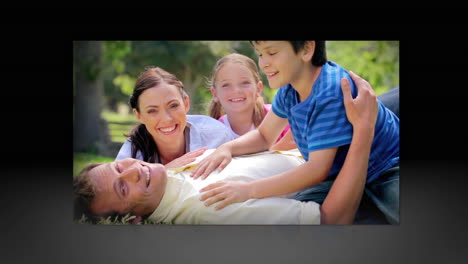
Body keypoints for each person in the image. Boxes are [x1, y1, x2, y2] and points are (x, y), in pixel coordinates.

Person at [73, 75, 379, 224]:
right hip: (353, 153)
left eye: (117, 168)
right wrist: (362, 128)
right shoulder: (208, 205)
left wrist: (311, 124)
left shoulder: (177, 171)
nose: (131, 170)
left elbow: (267, 153)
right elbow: (332, 221)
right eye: (122, 189)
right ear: (130, 219)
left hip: (319, 142)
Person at [191, 41, 400, 224]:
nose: (263, 63)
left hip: (385, 166)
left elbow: (316, 169)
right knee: (300, 215)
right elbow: (265, 136)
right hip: (337, 173)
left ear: (307, 49)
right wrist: (227, 148)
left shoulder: (329, 92)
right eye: (260, 53)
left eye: (272, 53)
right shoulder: (289, 89)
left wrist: (247, 190)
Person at [114, 66, 234, 168]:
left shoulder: (216, 136)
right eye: (152, 111)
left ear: (186, 103)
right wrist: (167, 171)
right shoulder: (131, 155)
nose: (166, 119)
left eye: (173, 106)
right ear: (139, 115)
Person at [207, 53, 296, 150]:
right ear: (215, 93)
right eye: (226, 85)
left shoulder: (277, 116)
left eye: (245, 83)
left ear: (258, 88)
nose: (236, 90)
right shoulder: (214, 132)